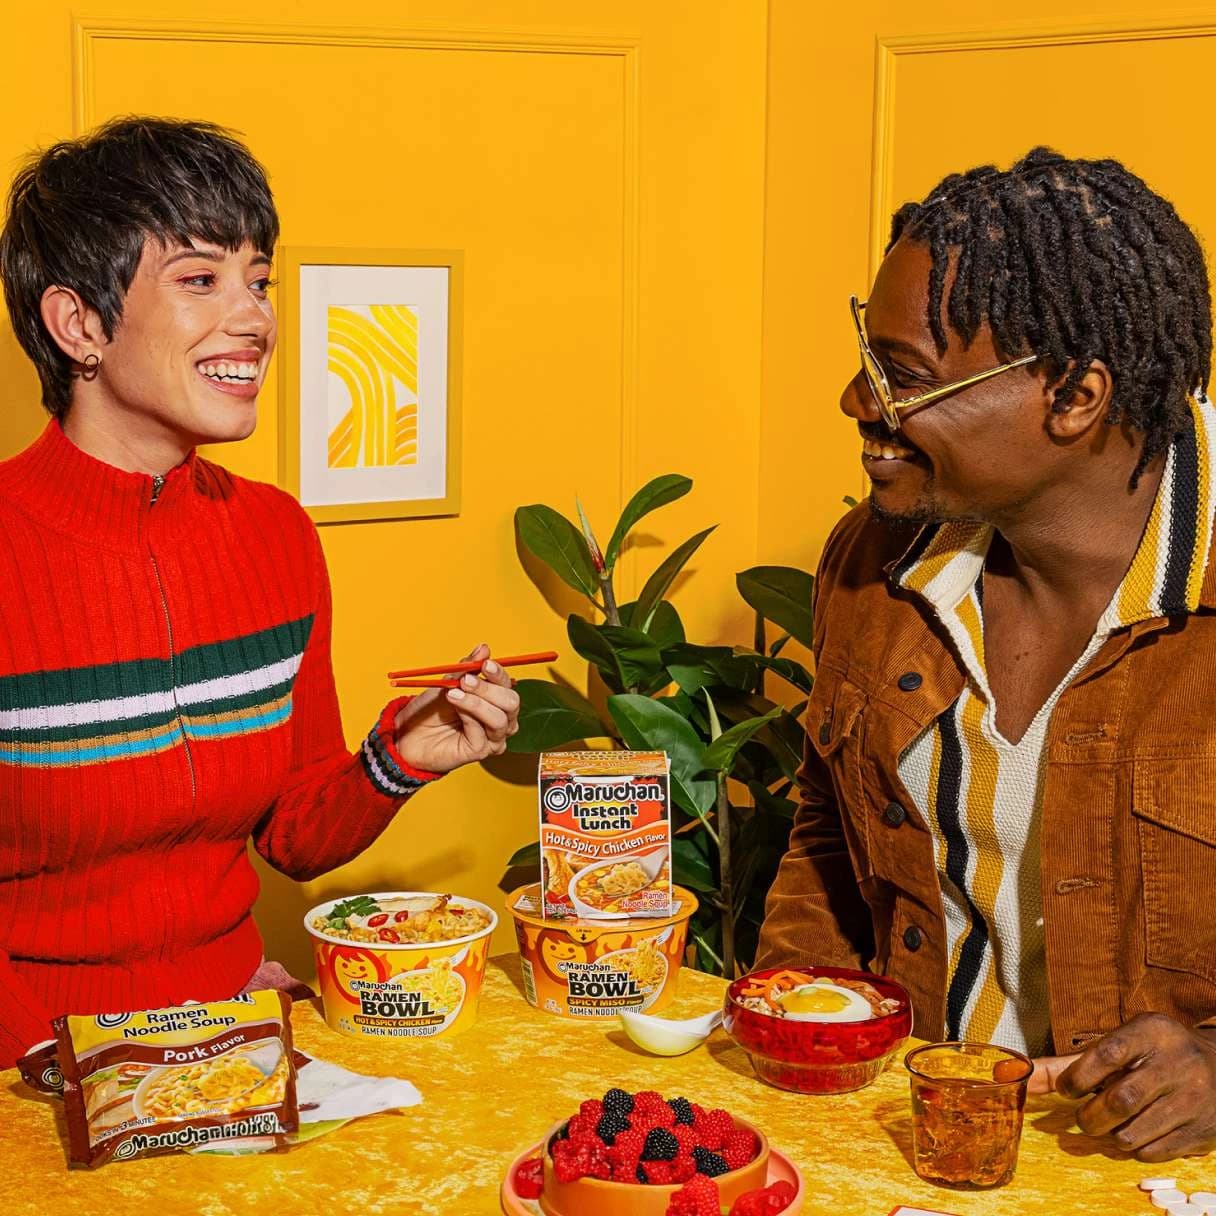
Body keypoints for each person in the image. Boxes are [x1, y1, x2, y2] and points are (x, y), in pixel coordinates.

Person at [0, 117, 519, 1068]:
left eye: (259, 280)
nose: (255, 318)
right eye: (200, 280)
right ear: (79, 324)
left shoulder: (276, 536)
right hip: (34, 1066)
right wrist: (58, 1060)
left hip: (236, 1041)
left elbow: (291, 835)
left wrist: (403, 755)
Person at [757, 148, 1216, 1161]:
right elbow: (828, 842)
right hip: (912, 1154)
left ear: (1074, 397)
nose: (855, 400)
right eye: (866, 358)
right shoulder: (869, 565)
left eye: (903, 377)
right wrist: (793, 1063)